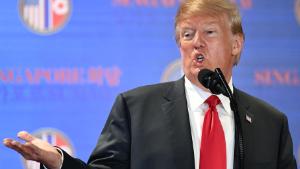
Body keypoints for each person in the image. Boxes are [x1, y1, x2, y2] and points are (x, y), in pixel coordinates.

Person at [3, 0, 297, 169]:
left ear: (236, 44)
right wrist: (61, 163)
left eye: (209, 32)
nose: (197, 43)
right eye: (187, 34)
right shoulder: (135, 108)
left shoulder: (271, 123)